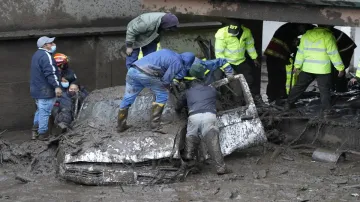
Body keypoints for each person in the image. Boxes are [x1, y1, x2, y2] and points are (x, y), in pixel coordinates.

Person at [117, 49, 195, 132]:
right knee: (163, 94)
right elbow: (166, 80)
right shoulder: (178, 62)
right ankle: (155, 125)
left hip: (133, 71)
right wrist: (169, 87)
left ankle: (121, 125)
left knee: (128, 97)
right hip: (146, 74)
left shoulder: (168, 52)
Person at [181, 64, 231, 175]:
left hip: (193, 116)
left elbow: (179, 105)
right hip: (209, 116)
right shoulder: (211, 90)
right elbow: (219, 96)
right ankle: (220, 167)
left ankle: (189, 164)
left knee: (191, 137)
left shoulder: (188, 92)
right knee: (213, 141)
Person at [285, 25, 345, 116]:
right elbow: (333, 53)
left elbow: (301, 52)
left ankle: (288, 104)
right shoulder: (328, 36)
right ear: (328, 26)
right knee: (324, 90)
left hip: (307, 68)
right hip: (323, 69)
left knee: (299, 87)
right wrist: (340, 68)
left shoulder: (306, 35)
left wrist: (297, 65)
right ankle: (327, 111)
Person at [215, 24, 264, 105]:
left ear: (240, 29)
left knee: (249, 79)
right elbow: (219, 54)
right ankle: (235, 101)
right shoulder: (221, 34)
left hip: (241, 61)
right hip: (227, 62)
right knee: (232, 82)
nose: (232, 34)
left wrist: (254, 58)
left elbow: (250, 46)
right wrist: (227, 68)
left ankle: (250, 99)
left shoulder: (246, 32)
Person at [265, 23, 314, 102]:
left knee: (278, 77)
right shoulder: (289, 31)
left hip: (277, 57)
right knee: (276, 78)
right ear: (300, 26)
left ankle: (278, 96)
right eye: (303, 31)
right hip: (275, 57)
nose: (302, 33)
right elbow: (289, 45)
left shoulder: (288, 28)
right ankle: (275, 97)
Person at [30, 36, 62, 141]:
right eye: (51, 43)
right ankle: (42, 134)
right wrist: (57, 86)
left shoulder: (36, 55)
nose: (53, 44)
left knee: (40, 110)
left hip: (37, 89)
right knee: (45, 112)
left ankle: (35, 132)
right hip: (45, 90)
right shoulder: (46, 56)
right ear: (45, 45)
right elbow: (51, 73)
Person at [330, 27, 357, 92]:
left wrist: (340, 69)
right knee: (336, 71)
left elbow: (334, 54)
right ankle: (336, 88)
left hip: (346, 49)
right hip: (343, 48)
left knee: (338, 72)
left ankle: (341, 90)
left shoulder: (328, 34)